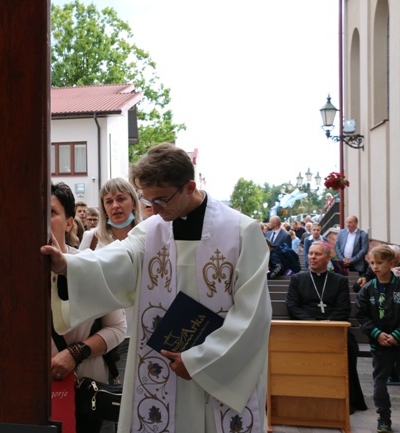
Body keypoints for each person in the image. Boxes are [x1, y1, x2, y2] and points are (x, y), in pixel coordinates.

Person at [41, 143, 271, 433]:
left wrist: (199, 360)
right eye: (147, 200)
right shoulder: (152, 230)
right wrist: (67, 266)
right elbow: (118, 260)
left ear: (189, 186)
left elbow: (253, 314)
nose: (154, 210)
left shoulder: (241, 231)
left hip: (217, 369)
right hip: (163, 369)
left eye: (161, 200)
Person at [49, 183, 126, 433]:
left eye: (51, 212)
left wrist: (75, 353)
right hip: (30, 392)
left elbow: (117, 327)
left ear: (69, 222)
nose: (42, 219)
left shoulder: (90, 266)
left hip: (84, 390)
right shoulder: (12, 273)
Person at [286, 241, 367, 414]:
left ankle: (346, 397)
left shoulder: (339, 280)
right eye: (311, 254)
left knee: (349, 346)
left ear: (327, 258)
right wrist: (313, 324)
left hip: (334, 328)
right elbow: (292, 306)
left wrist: (328, 324)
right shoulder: (298, 279)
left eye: (317, 254)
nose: (312, 257)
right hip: (305, 329)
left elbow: (344, 307)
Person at [77, 178, 142, 393]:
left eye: (121, 199)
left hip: (139, 333)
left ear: (133, 202)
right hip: (102, 334)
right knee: (103, 400)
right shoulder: (91, 239)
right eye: (108, 201)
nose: (115, 206)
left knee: (129, 398)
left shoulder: (146, 236)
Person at [356, 245, 400, 433]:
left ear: (392, 263)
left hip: (398, 339)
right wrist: (376, 333)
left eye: (380, 263)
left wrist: (397, 335)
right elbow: (361, 315)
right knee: (379, 380)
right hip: (379, 342)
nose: (375, 267)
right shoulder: (367, 289)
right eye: (372, 263)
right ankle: (384, 418)